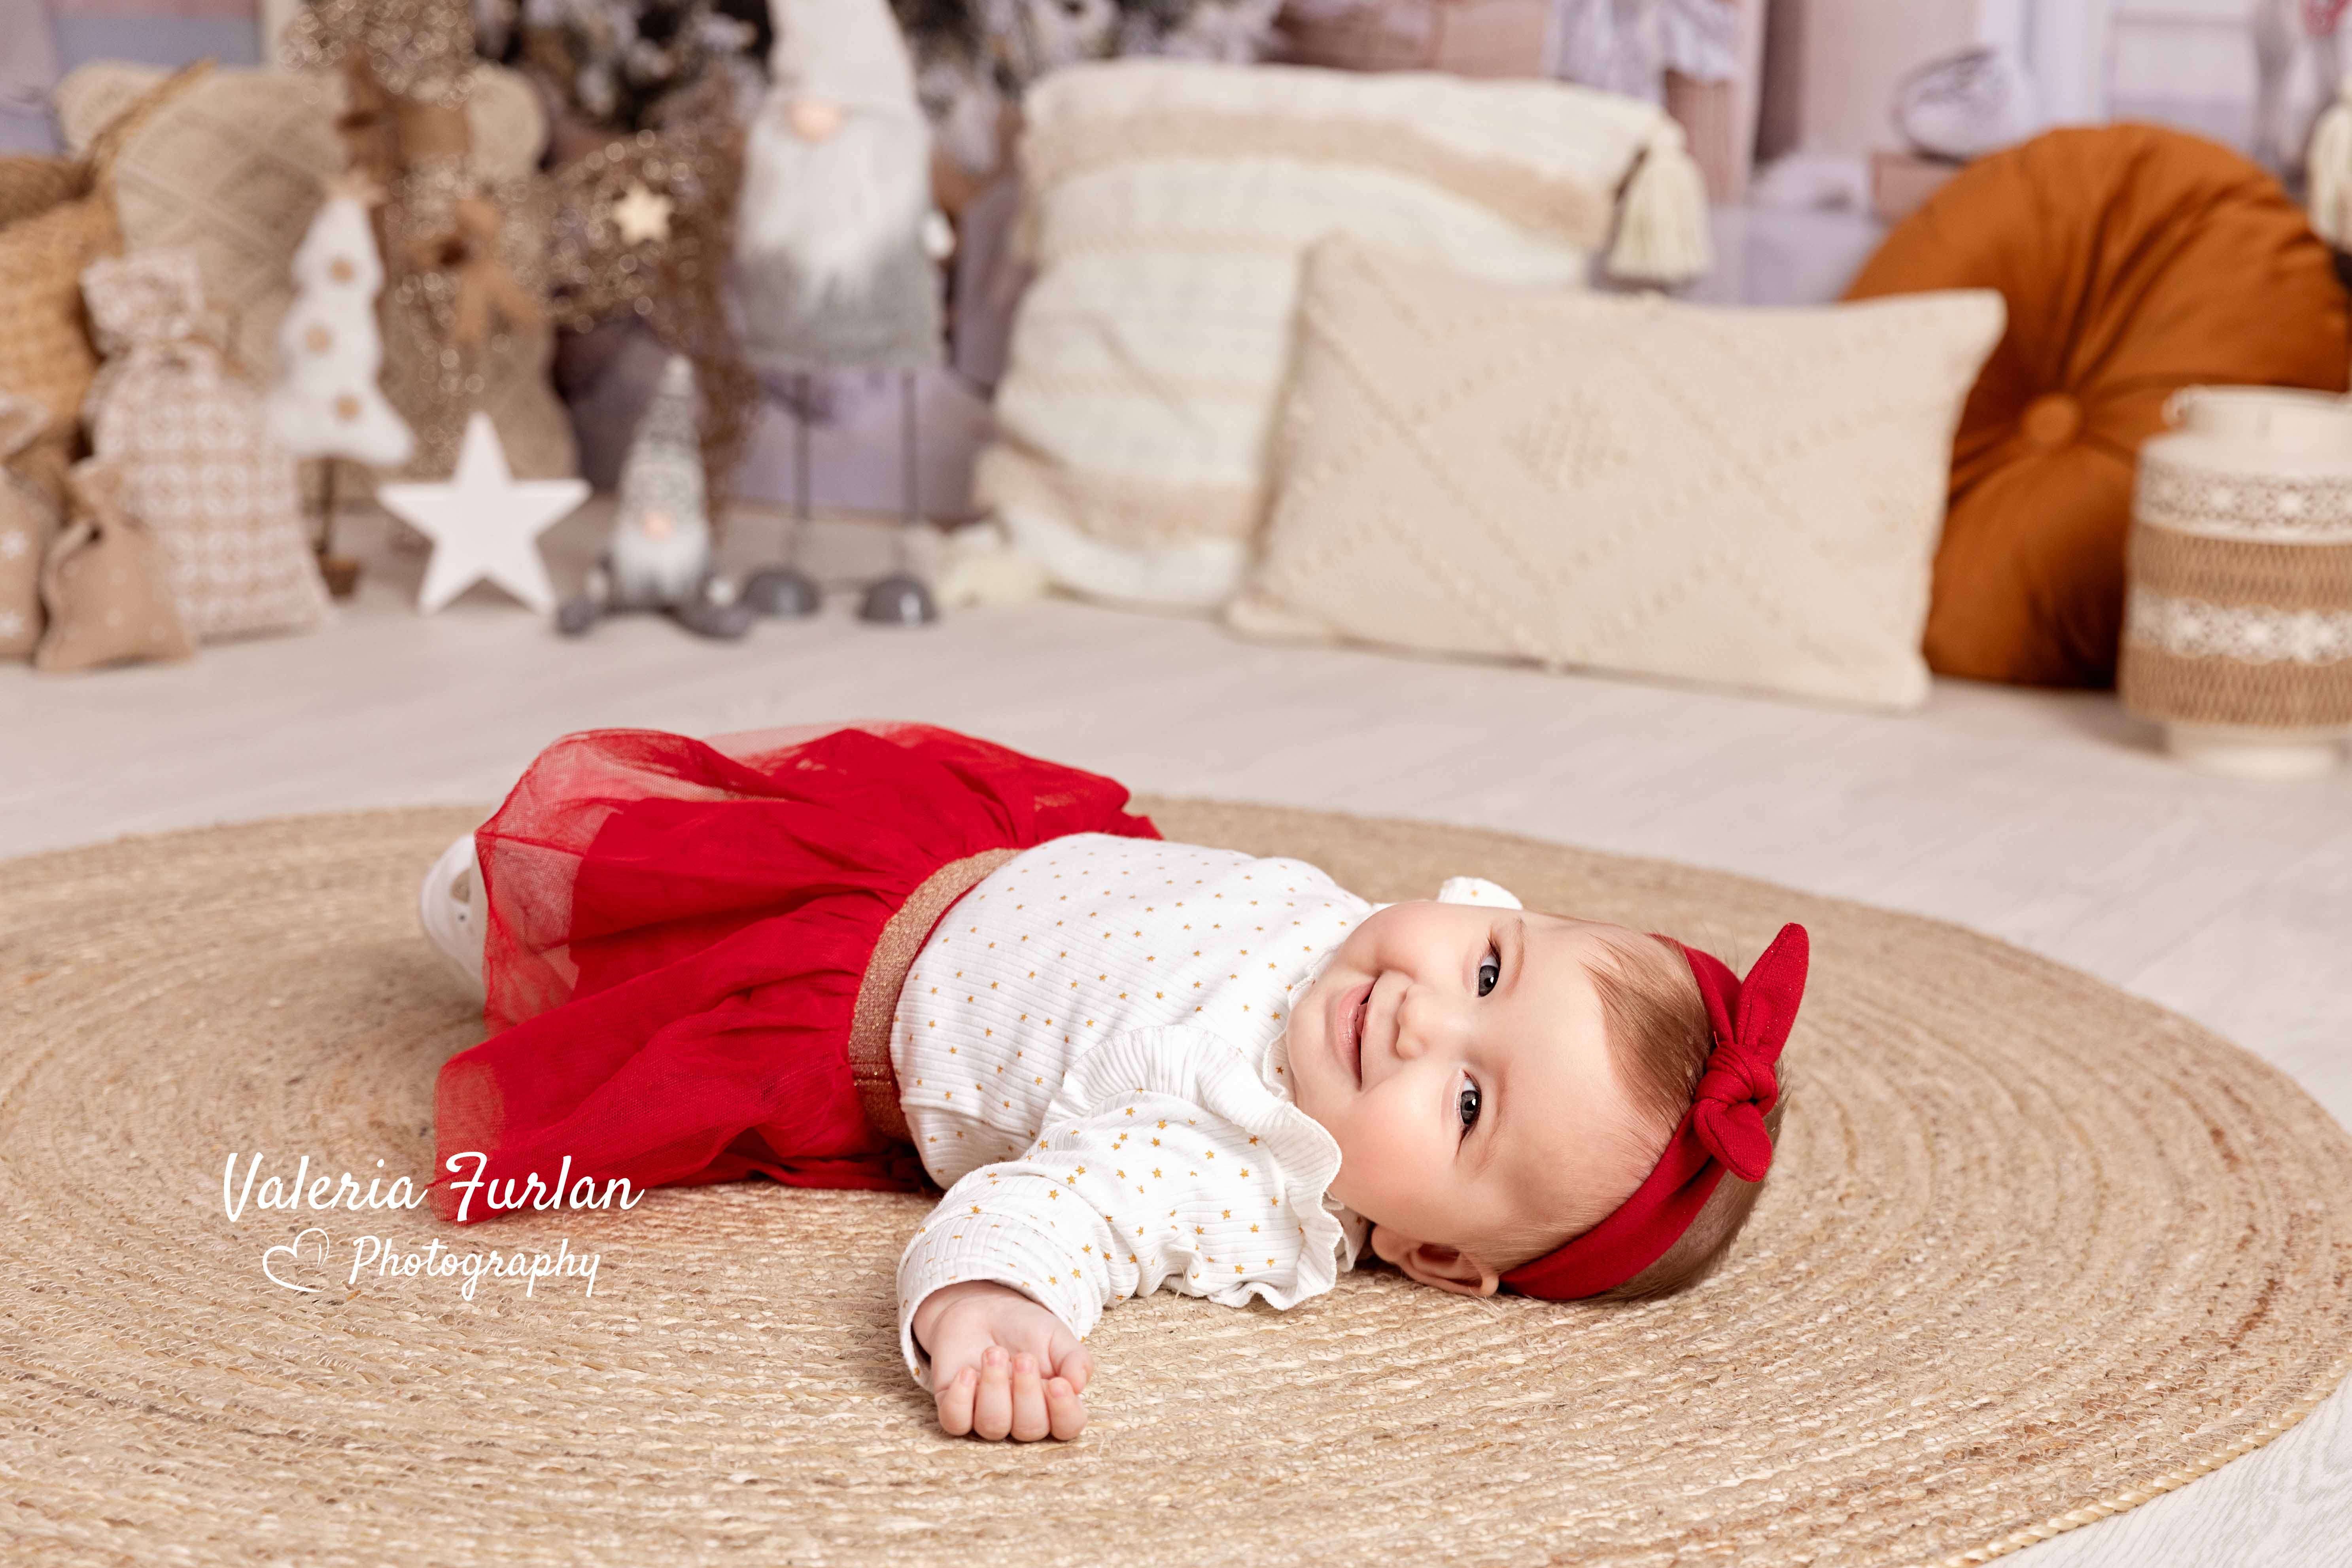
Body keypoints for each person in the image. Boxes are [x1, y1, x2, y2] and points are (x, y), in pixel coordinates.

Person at [418, 721, 1804, 1444]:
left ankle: (496, 912)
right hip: (939, 850)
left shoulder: (1234, 1165)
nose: (1421, 1022)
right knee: (694, 826)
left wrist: (993, 1308)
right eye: (1490, 972)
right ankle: (536, 867)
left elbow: (1059, 1212)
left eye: (1464, 1105)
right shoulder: (1371, 955)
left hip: (835, 995)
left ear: (1434, 1254)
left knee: (607, 962)